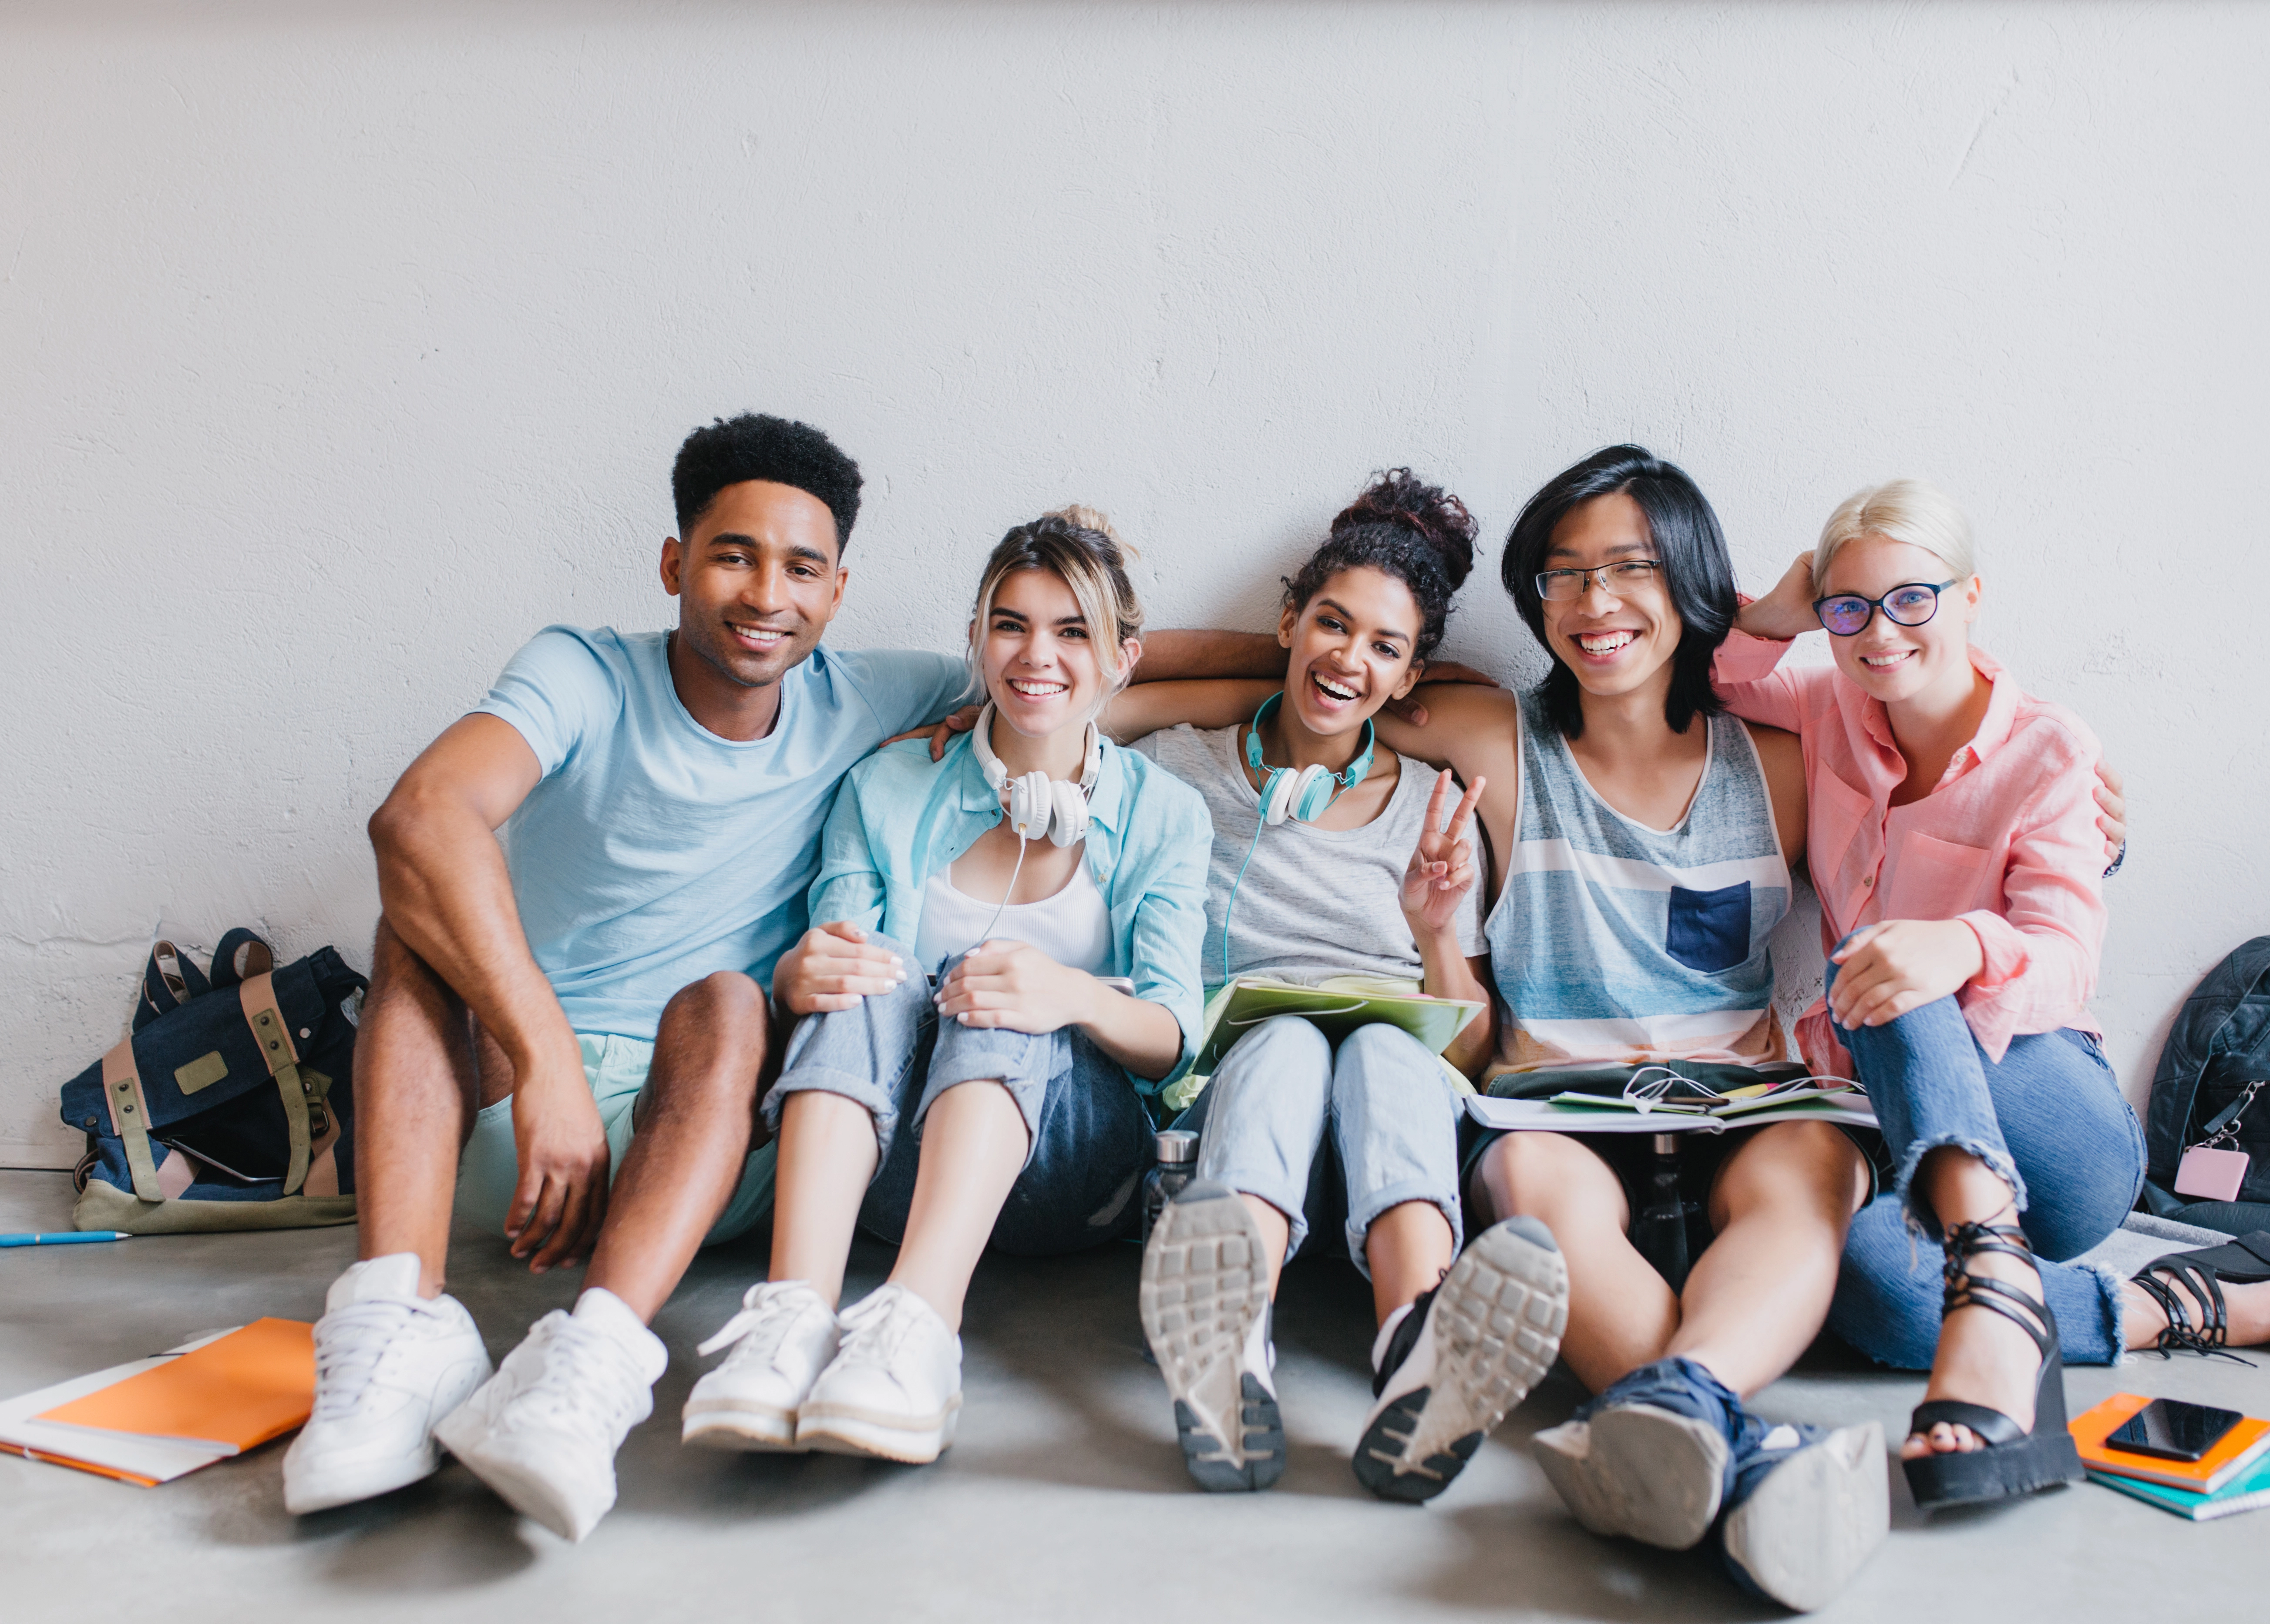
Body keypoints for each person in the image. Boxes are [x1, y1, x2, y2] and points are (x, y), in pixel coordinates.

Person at [282, 420, 1278, 1537]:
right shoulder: (594, 674)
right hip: (531, 1117)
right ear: (674, 564)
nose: (767, 594)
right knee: (415, 916)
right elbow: (420, 816)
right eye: (733, 556)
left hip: (714, 1132)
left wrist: (1330, 659)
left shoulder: (899, 702)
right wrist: (553, 1060)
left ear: (839, 590)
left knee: (757, 995)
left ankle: (598, 1367)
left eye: (801, 568)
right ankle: (397, 1329)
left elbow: (1104, 667)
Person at [1725, 479, 2270, 1518]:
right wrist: (1775, 613)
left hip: (2050, 1122)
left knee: (1885, 970)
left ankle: (1991, 1266)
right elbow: (1707, 677)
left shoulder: (2052, 749)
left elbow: (2067, 965)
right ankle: (2183, 1303)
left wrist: (1962, 941)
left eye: (1912, 599)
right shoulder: (1826, 704)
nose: (1879, 632)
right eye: (1849, 607)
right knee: (1872, 1291)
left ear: (1972, 595)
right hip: (1901, 1127)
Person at [1369, 446, 1884, 1611]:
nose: (1593, 603)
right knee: (1532, 1186)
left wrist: (2078, 799)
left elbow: (1946, 753)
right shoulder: (1492, 739)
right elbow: (1312, 668)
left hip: (1746, 1106)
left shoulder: (1783, 766)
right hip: (1551, 1106)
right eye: (1561, 575)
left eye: (1628, 569)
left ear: (1691, 582)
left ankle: (1672, 1412)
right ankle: (1736, 1446)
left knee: (1815, 1164)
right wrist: (1109, 682)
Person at [668, 508, 1211, 1476]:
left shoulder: (1165, 815)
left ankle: (920, 1328)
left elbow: (1175, 1036)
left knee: (997, 991)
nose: (1035, 654)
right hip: (891, 1163)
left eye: (1071, 630)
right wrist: (804, 975)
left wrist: (1069, 995)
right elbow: (835, 973)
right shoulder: (886, 788)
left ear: (1122, 659)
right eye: (1011, 624)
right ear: (975, 638)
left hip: (1070, 1176)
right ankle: (793, 1318)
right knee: (871, 976)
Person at [1113, 470, 1569, 1502]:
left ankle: (1419, 1345)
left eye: (1385, 648)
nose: (1348, 661)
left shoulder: (1434, 809)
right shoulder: (1180, 768)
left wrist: (1434, 931)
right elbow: (1092, 687)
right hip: (1234, 1140)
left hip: (1390, 1146)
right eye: (1331, 624)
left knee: (1380, 1047)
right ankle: (1228, 1349)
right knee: (1282, 1044)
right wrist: (1242, 679)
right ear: (1289, 621)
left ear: (1415, 679)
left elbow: (1470, 1054)